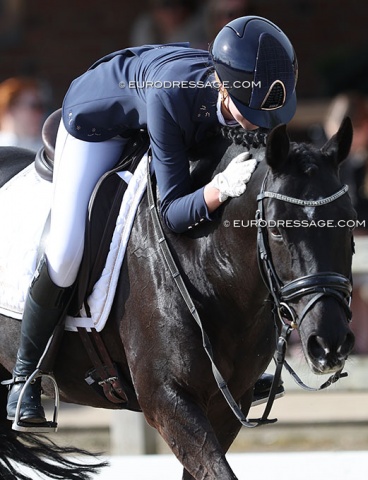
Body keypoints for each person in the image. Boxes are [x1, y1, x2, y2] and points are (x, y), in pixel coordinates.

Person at [5, 16, 298, 427]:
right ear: (224, 87)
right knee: (66, 250)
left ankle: (237, 362)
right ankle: (25, 377)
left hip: (161, 114)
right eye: (250, 112)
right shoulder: (174, 95)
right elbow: (175, 213)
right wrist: (219, 190)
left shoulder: (246, 96)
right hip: (97, 124)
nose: (261, 123)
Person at [324, 92, 368, 354]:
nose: (338, 148)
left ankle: (366, 353)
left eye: (343, 140)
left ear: (366, 129)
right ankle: (352, 351)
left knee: (361, 282)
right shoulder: (345, 163)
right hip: (357, 254)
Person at [0, 76, 49, 151]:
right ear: (10, 108)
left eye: (41, 106)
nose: (40, 113)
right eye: (34, 106)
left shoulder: (47, 150)